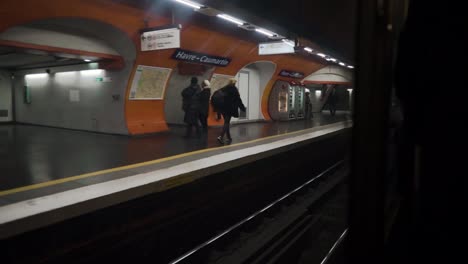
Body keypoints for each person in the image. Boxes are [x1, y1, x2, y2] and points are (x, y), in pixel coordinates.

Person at [216, 78, 246, 144]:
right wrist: (242, 108)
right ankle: (221, 136)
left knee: (226, 122)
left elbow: (218, 97)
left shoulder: (224, 89)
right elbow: (238, 100)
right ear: (234, 83)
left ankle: (229, 137)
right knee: (226, 122)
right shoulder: (235, 90)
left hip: (223, 108)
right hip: (230, 109)